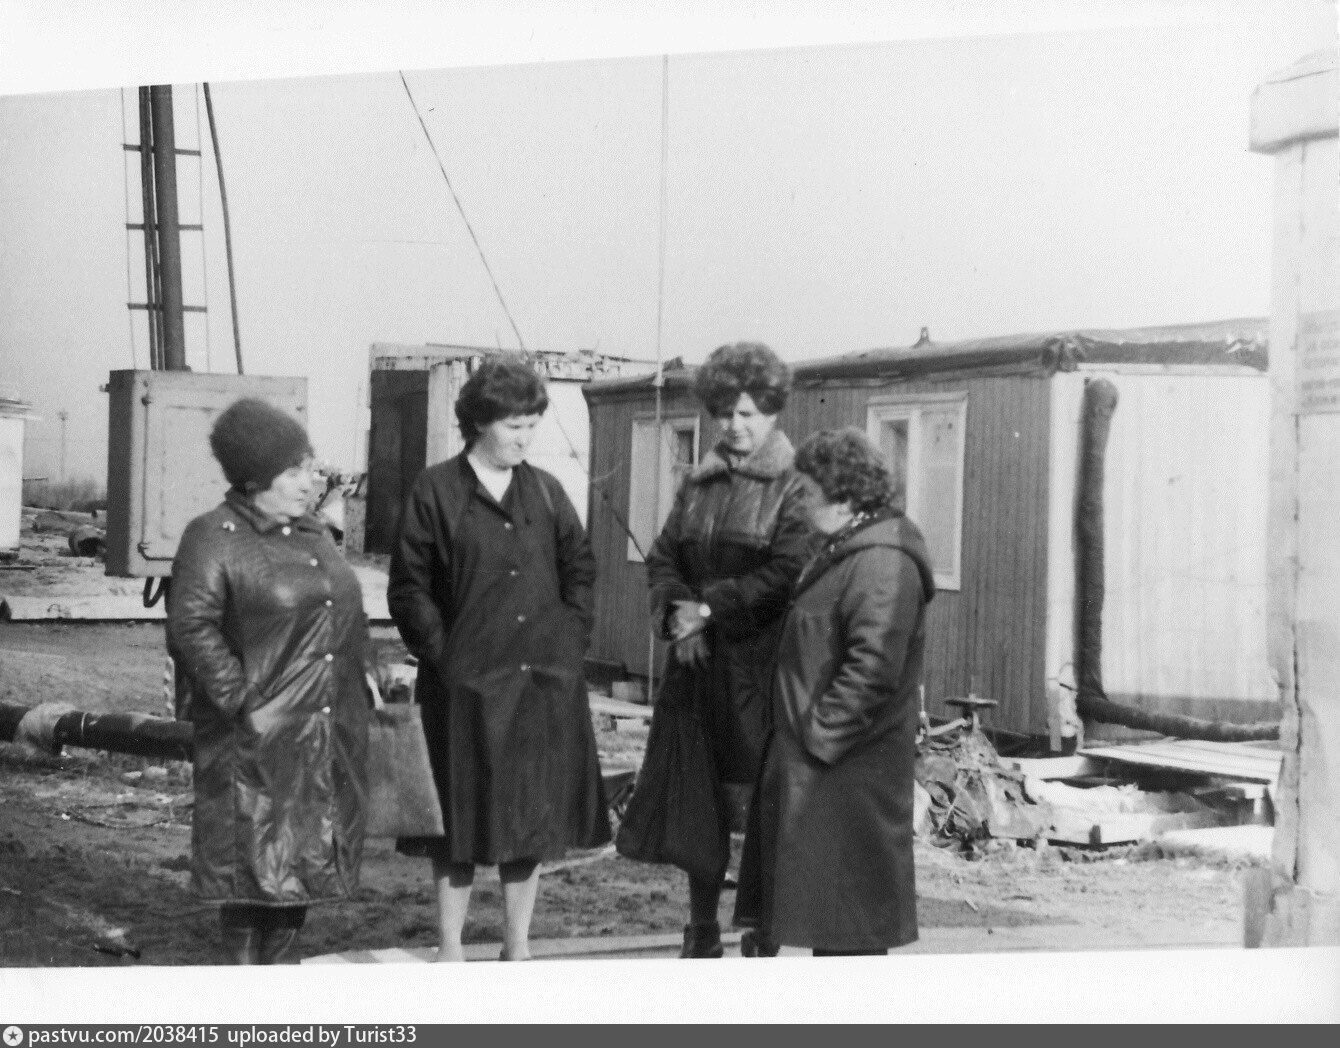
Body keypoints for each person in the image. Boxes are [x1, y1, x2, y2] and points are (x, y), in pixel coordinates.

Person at [387, 354, 610, 962]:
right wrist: (445, 657)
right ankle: (451, 947)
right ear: (480, 422)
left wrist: (569, 640)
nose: (525, 438)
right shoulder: (435, 490)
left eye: (532, 426)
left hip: (541, 683)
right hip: (463, 686)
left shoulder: (547, 491)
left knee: (530, 819)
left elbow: (580, 568)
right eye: (514, 426)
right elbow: (409, 587)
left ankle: (518, 946)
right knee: (456, 823)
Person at [618, 341, 814, 959]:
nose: (734, 425)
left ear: (773, 412)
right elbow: (663, 557)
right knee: (696, 804)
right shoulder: (697, 483)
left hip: (760, 670)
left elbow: (787, 573)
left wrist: (708, 610)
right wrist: (681, 619)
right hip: (697, 669)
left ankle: (765, 929)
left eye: (748, 413)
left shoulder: (796, 487)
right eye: (725, 413)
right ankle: (701, 928)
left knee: (762, 806)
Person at [168, 397, 370, 965]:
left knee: (300, 870)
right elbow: (190, 625)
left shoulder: (313, 534)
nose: (310, 483)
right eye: (293, 471)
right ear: (255, 478)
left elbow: (342, 610)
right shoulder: (214, 535)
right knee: (251, 872)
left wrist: (369, 673)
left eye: (310, 468)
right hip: (256, 738)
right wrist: (242, 700)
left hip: (322, 731)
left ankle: (277, 982)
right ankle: (246, 992)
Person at [734, 427, 935, 957]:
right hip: (821, 770)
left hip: (847, 775)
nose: (798, 504)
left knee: (849, 936)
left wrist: (816, 741)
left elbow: (872, 670)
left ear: (844, 500)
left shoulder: (882, 561)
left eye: (806, 492)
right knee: (830, 926)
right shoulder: (844, 552)